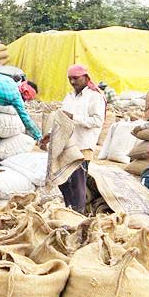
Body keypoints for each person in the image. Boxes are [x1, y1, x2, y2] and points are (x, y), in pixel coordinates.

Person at [39, 64, 105, 213]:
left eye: (76, 78)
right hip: (65, 145)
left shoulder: (94, 97)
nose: (73, 82)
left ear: (85, 77)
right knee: (63, 182)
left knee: (77, 184)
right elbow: (61, 119)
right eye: (70, 79)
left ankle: (77, 214)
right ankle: (69, 210)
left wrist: (74, 117)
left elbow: (97, 121)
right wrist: (49, 135)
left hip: (82, 146)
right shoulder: (69, 97)